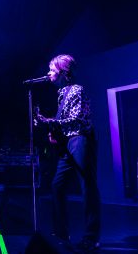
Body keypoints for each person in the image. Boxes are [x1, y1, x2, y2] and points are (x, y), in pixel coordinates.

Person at [35, 54, 101, 252]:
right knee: (57, 185)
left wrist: (51, 122)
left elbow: (78, 119)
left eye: (52, 69)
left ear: (63, 72)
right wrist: (52, 128)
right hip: (68, 142)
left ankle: (91, 237)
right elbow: (64, 121)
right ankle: (61, 235)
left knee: (87, 186)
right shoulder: (62, 92)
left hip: (81, 139)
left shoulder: (77, 90)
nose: (48, 73)